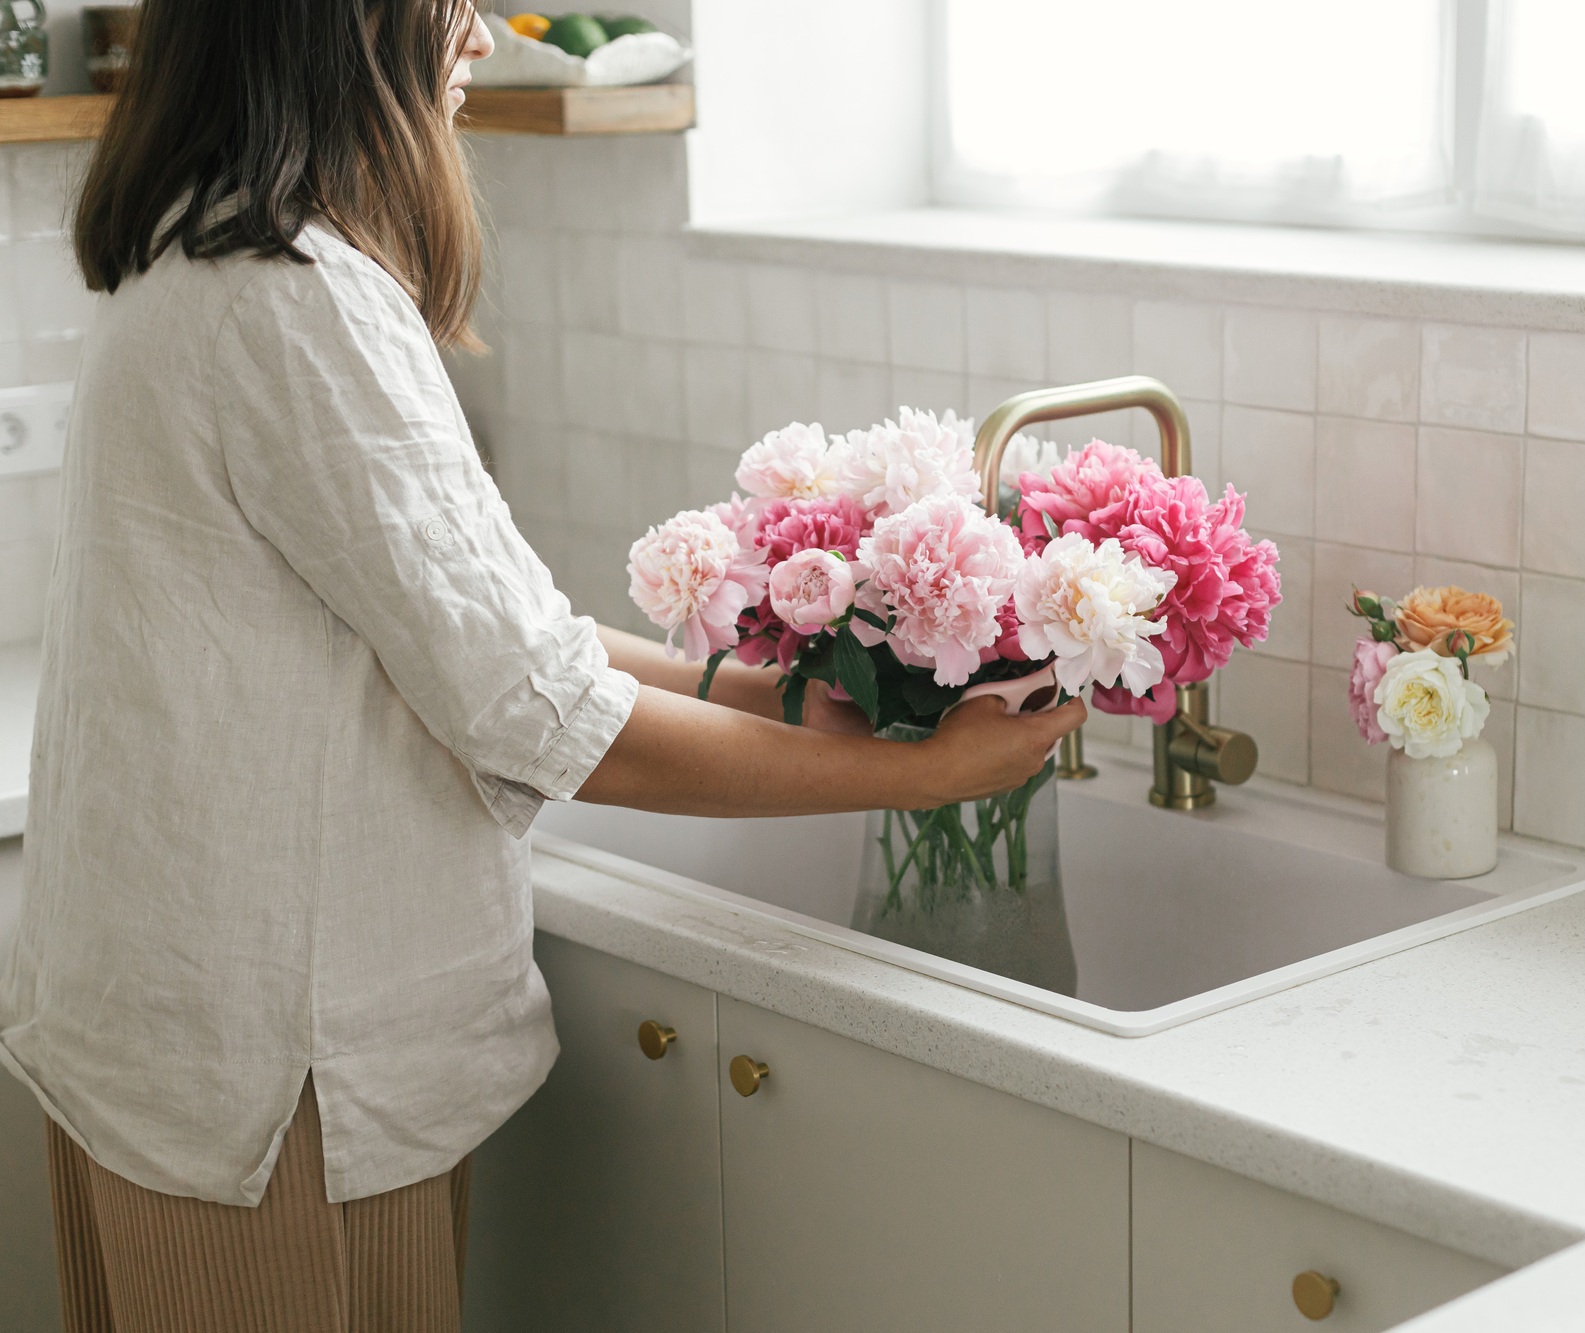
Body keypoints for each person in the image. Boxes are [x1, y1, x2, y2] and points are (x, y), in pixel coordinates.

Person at [0, 2, 1083, 1329]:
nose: (477, 36)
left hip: (174, 1042)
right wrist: (911, 779)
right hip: (272, 1091)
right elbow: (546, 715)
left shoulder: (200, 253)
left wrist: (803, 695)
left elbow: (509, 638)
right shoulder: (301, 303)